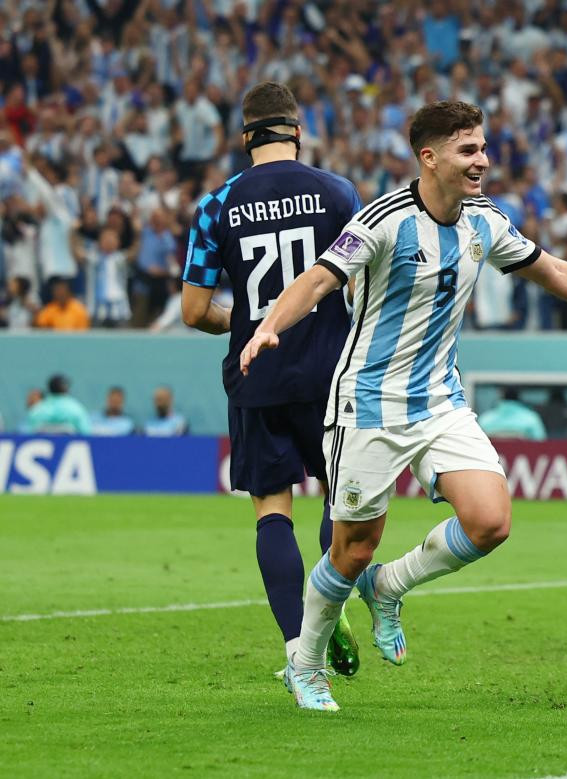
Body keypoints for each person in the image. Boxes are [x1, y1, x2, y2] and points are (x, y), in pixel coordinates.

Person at [240, 100, 567, 711]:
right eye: (467, 150)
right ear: (429, 158)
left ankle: (389, 589)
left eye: (482, 148)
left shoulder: (486, 221)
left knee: (490, 521)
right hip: (369, 406)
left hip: (440, 402)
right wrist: (272, 325)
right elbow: (320, 278)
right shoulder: (382, 220)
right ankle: (307, 664)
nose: (482, 160)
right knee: (351, 550)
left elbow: (554, 271)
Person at [180, 82, 362, 680]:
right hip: (330, 371)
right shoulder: (339, 193)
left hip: (257, 374)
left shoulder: (216, 205)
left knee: (271, 510)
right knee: (343, 498)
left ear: (244, 136)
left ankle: (297, 654)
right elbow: (359, 287)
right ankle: (330, 614)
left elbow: (193, 311)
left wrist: (252, 323)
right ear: (298, 131)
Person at [22, 374, 92, 435]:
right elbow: (86, 434)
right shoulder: (76, 409)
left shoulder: (37, 410)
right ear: (66, 389)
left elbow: (28, 434)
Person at [477, 387, 547, 440]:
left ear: (501, 398)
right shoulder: (531, 418)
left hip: (490, 458)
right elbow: (541, 442)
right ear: (518, 398)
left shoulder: (485, 420)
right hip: (523, 458)